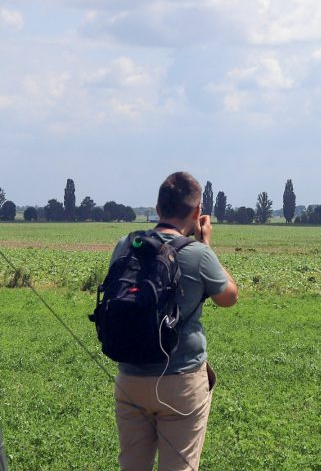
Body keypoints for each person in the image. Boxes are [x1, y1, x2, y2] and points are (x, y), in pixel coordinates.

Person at [112, 171, 238, 471]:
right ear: (197, 213)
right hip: (180, 380)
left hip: (129, 376)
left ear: (158, 209)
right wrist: (206, 244)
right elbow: (229, 297)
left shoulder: (126, 244)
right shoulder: (197, 254)